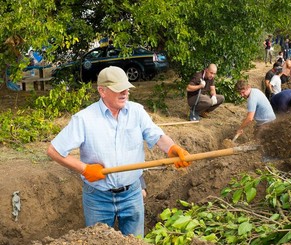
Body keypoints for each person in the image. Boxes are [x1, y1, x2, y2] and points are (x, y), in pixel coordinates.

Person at [46, 66, 191, 237]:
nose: (125, 93)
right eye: (118, 89)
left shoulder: (136, 112)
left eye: (126, 88)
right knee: (97, 241)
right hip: (97, 197)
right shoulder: (84, 119)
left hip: (132, 194)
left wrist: (173, 148)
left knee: (135, 241)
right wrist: (84, 168)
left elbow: (157, 136)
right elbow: (54, 150)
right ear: (102, 91)